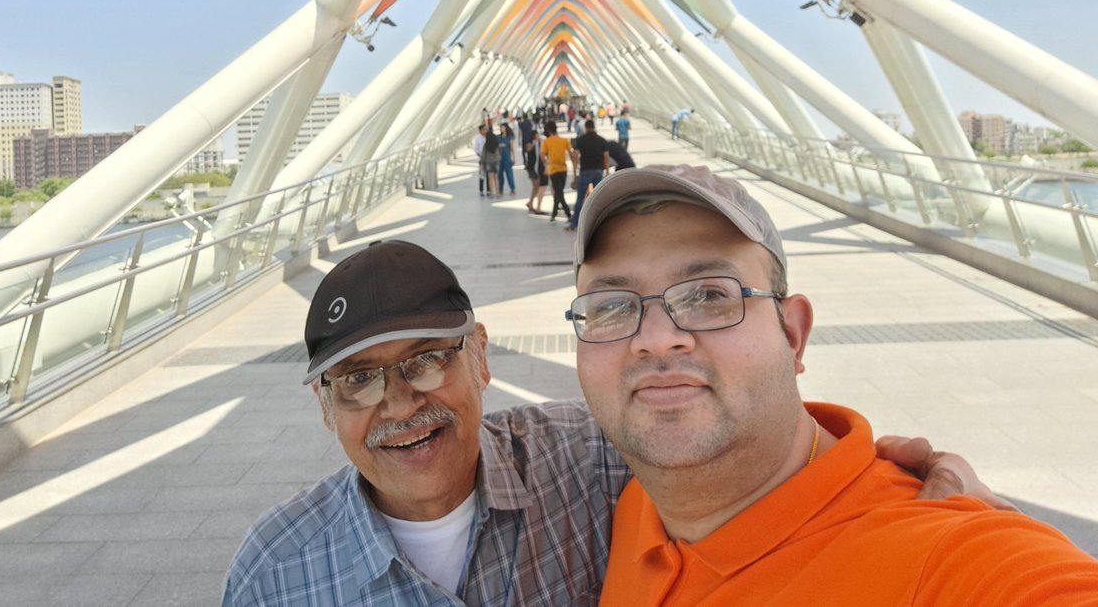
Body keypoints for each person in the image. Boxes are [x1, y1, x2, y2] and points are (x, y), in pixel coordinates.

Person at [223, 239, 1012, 607]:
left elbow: (739, 451)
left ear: (482, 358)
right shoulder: (277, 572)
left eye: (426, 360)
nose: (397, 404)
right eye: (357, 380)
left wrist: (890, 482)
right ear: (326, 408)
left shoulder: (593, 464)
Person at [567, 165, 1098, 604]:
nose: (658, 340)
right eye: (611, 306)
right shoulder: (638, 502)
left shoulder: (946, 557)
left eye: (709, 296)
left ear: (793, 335)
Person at [568, 119, 609, 231]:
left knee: (580, 198)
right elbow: (606, 157)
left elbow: (575, 156)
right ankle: (599, 224)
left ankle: (575, 224)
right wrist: (607, 171)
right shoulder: (602, 140)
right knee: (598, 197)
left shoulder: (581, 140)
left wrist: (575, 172)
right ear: (594, 127)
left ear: (585, 128)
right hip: (598, 171)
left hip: (585, 171)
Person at [541, 120, 573, 224]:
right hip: (563, 170)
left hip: (553, 170)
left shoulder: (546, 142)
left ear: (549, 130)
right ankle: (566, 215)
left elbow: (542, 155)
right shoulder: (564, 141)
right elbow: (571, 153)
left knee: (558, 192)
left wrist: (546, 164)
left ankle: (557, 214)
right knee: (559, 191)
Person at [524, 127, 547, 215]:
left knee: (536, 187)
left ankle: (530, 202)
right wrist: (534, 144)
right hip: (531, 168)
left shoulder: (539, 142)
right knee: (536, 186)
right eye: (536, 134)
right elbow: (528, 149)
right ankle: (531, 203)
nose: (538, 136)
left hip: (535, 167)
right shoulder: (529, 143)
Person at [496, 122, 517, 196]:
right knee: (500, 174)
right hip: (499, 158)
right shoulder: (498, 137)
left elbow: (512, 148)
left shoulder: (509, 137)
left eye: (503, 127)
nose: (501, 129)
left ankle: (512, 188)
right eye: (500, 127)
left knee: (509, 173)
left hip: (507, 157)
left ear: (506, 128)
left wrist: (514, 158)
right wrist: (499, 145)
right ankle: (501, 189)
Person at [481, 127, 500, 197]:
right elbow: (499, 153)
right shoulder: (496, 144)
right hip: (496, 162)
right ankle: (498, 192)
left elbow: (483, 155)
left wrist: (482, 164)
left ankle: (492, 193)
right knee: (496, 178)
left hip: (489, 162)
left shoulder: (486, 145)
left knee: (490, 178)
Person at [471, 124, 489, 196]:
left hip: (489, 158)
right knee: (482, 174)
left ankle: (488, 190)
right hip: (482, 159)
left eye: (486, 129)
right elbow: (476, 149)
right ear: (480, 130)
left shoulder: (488, 136)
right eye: (484, 129)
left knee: (488, 174)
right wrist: (480, 155)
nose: (486, 130)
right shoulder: (478, 138)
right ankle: (481, 190)